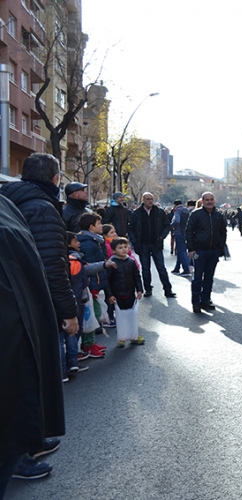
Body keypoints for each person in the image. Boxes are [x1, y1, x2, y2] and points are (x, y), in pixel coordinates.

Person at [0, 153, 75, 482]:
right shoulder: (42, 208)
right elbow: (51, 266)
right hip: (28, 309)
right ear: (55, 179)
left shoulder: (13, 200)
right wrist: (67, 311)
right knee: (29, 379)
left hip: (21, 305)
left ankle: (29, 441)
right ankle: (18, 454)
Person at [76, 213, 111, 358]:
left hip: (96, 282)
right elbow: (89, 268)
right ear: (91, 227)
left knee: (94, 315)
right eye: (99, 224)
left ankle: (91, 343)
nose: (101, 226)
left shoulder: (95, 240)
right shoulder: (88, 243)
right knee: (91, 316)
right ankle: (88, 345)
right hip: (92, 284)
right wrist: (95, 286)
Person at [185, 191, 227, 314]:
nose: (209, 202)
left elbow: (223, 232)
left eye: (211, 199)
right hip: (199, 251)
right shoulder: (195, 214)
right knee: (197, 278)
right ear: (202, 201)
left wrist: (220, 248)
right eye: (207, 200)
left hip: (213, 251)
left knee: (209, 278)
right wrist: (191, 249)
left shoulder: (219, 215)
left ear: (214, 200)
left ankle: (205, 300)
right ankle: (196, 303)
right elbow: (189, 232)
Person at [128, 192, 176, 298]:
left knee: (161, 268)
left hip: (156, 244)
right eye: (148, 199)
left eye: (151, 199)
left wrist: (161, 237)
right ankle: (148, 289)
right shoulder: (137, 213)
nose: (150, 201)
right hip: (142, 244)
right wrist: (134, 241)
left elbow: (167, 226)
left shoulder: (159, 212)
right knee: (145, 268)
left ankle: (167, 290)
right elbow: (130, 228)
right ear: (143, 200)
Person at [107, 237, 145, 348]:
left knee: (131, 315)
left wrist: (139, 289)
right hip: (117, 295)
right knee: (121, 316)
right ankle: (122, 337)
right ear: (114, 250)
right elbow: (108, 281)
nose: (124, 249)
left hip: (130, 294)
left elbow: (137, 277)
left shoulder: (131, 262)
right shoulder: (112, 263)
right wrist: (109, 294)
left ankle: (133, 335)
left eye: (125, 247)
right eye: (120, 248)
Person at [170, 200, 192, 277]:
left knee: (181, 251)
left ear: (175, 205)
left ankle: (186, 269)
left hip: (179, 232)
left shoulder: (177, 211)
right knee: (180, 251)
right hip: (186, 232)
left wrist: (171, 225)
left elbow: (177, 220)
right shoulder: (186, 210)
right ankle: (177, 268)